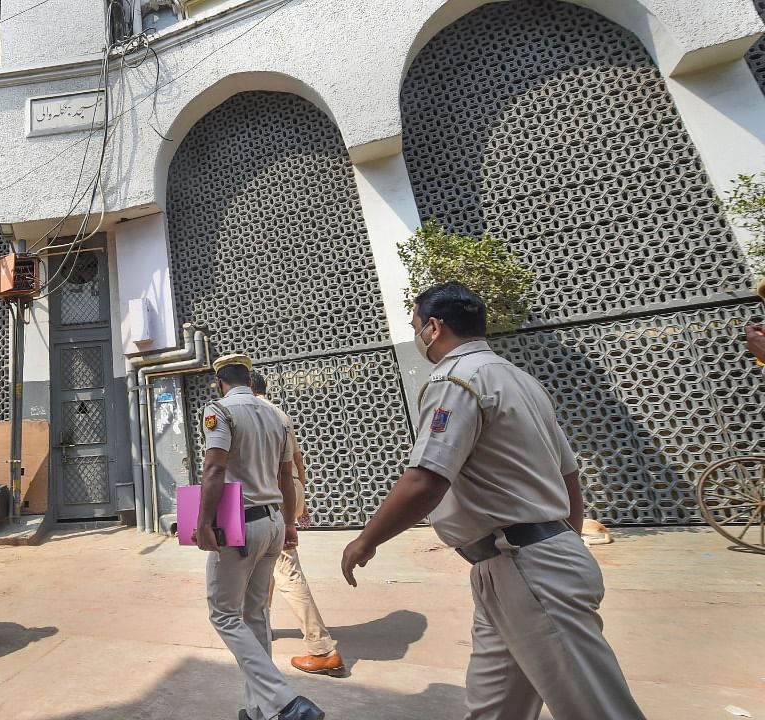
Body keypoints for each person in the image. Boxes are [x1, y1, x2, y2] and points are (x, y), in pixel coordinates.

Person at [340, 282, 645, 720]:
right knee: (495, 707)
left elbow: (426, 480)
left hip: (526, 564)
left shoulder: (454, 379)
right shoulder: (521, 380)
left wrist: (365, 541)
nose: (415, 335)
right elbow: (568, 475)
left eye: (415, 327)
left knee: (597, 709)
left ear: (434, 327)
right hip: (512, 564)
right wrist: (567, 541)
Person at [193, 354, 325, 720]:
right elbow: (287, 476)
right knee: (255, 614)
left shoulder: (219, 411)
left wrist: (204, 522)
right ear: (249, 380)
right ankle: (260, 709)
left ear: (220, 381)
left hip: (241, 526)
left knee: (223, 614)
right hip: (273, 523)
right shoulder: (277, 415)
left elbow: (215, 466)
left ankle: (286, 701)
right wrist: (290, 523)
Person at [248, 373, 344, 678]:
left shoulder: (252, 414)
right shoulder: (280, 413)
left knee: (286, 569)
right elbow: (297, 462)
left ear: (248, 389)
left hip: (272, 495)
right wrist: (300, 499)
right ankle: (259, 626)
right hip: (289, 490)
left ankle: (323, 650)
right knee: (269, 567)